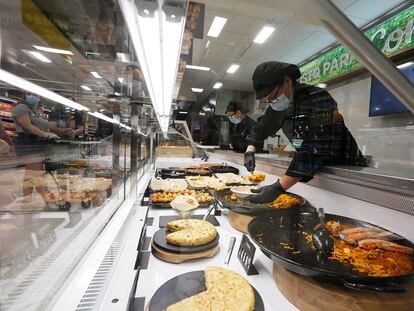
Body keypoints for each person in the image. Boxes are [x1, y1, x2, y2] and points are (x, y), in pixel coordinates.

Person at [244, 61, 366, 204]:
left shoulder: (317, 97)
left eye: (272, 97)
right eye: (267, 101)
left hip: (347, 174)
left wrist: (277, 188)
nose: (271, 102)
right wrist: (250, 150)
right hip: (319, 172)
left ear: (287, 81)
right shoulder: (279, 106)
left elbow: (313, 150)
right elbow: (261, 127)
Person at [13, 93, 73, 202]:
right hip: (27, 142)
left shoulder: (35, 111)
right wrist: (46, 135)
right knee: (36, 174)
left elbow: (48, 126)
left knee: (31, 174)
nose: (33, 96)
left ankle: (28, 201)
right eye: (30, 94)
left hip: (36, 142)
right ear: (25, 95)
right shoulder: (21, 108)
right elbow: (27, 126)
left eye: (36, 94)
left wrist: (63, 131)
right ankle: (46, 199)